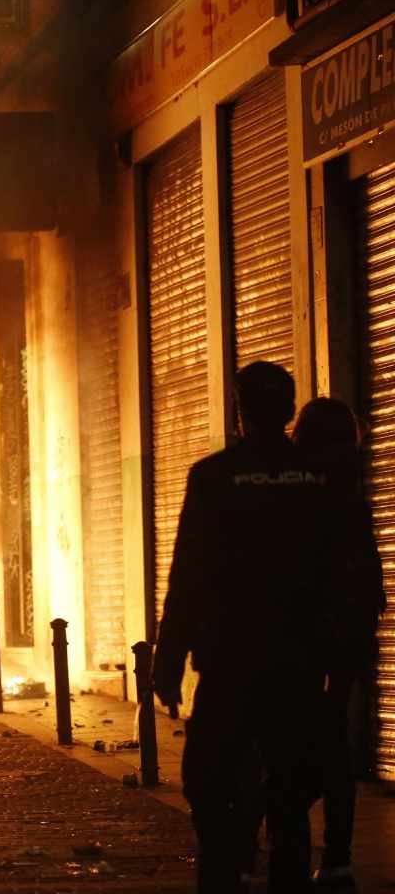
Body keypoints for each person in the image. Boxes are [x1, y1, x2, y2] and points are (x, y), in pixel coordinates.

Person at [153, 362, 336, 894]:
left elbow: (187, 574)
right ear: (288, 410)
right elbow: (341, 569)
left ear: (239, 412)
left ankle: (225, 866)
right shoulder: (321, 479)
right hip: (297, 666)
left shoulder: (213, 476)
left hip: (230, 663)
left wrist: (169, 658)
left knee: (212, 783)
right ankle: (287, 873)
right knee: (291, 789)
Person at [293, 397, 385, 889]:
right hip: (347, 637)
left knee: (309, 741)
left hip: (307, 637)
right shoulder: (351, 487)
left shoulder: (297, 487)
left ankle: (294, 828)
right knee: (334, 742)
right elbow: (367, 572)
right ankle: (339, 854)